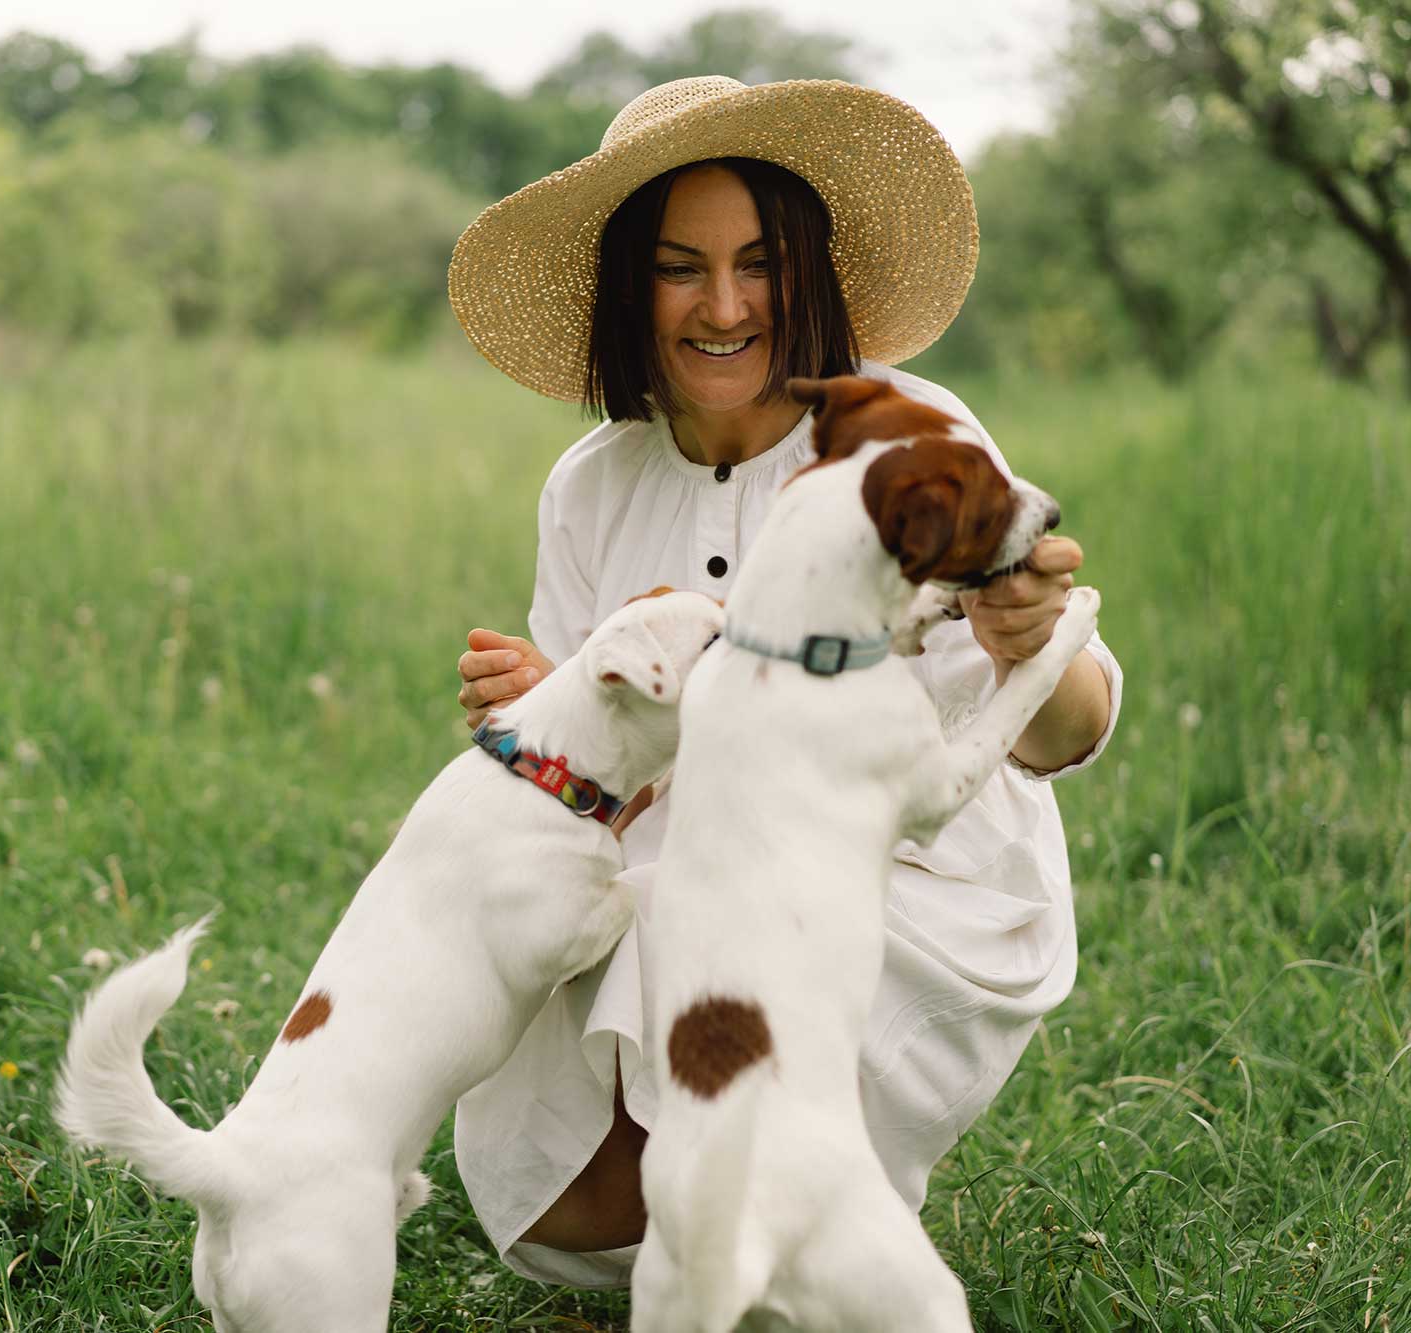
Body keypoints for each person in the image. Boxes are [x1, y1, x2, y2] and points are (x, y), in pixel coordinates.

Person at [445, 76, 1123, 1287]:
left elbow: (1057, 730)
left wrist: (1026, 636)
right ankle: (778, 1250)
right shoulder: (592, 485)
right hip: (687, 854)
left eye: (756, 263)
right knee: (562, 1202)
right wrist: (548, 716)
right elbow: (586, 790)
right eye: (678, 266)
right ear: (628, 286)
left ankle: (797, 1230)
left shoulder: (899, 431)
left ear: (804, 271)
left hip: (907, 871)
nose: (720, 305)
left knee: (686, 1020)